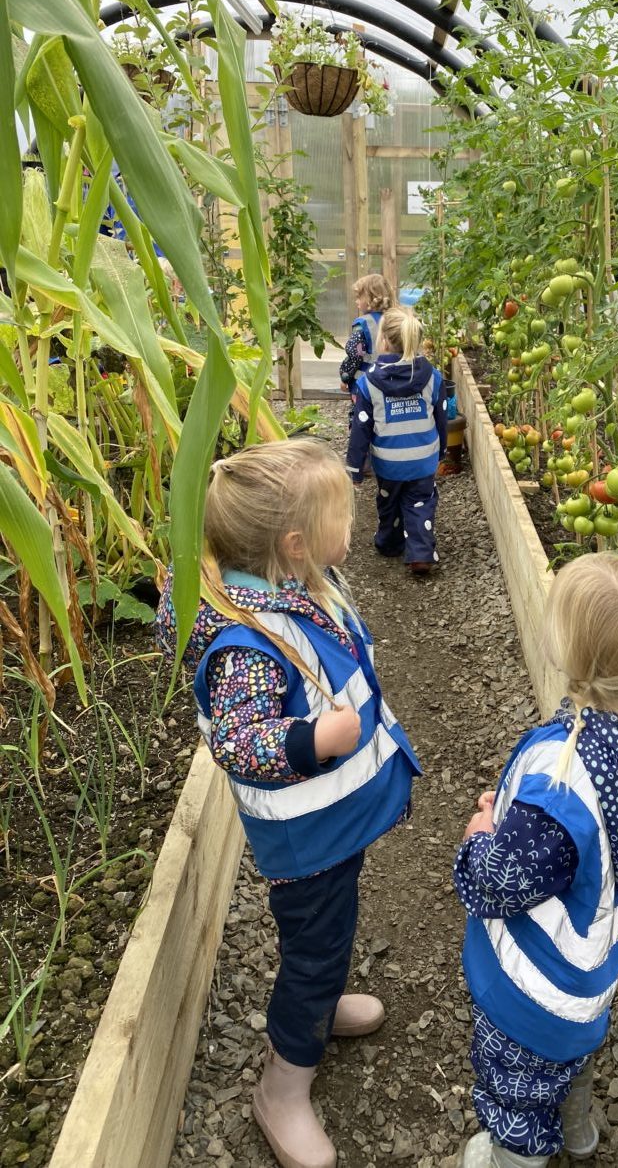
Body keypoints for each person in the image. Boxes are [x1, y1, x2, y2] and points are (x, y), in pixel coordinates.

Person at [156, 439, 421, 1168]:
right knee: (315, 950)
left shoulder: (295, 584)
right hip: (308, 843)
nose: (355, 522)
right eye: (344, 515)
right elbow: (240, 741)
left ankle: (321, 1003)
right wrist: (312, 740)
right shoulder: (249, 644)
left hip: (332, 829)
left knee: (329, 934)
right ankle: (282, 1086)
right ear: (296, 545)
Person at [453, 553, 618, 1168]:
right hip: (590, 978)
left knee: (516, 1092)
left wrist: (482, 836)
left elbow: (499, 883)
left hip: (531, 994)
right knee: (568, 1061)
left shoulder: (563, 781)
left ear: (570, 654)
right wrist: (522, 818)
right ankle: (577, 1131)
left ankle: (514, 1157)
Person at [346, 304, 448, 576]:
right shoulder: (432, 376)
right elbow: (441, 417)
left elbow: (361, 428)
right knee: (420, 502)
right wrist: (441, 451)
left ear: (383, 340)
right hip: (423, 458)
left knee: (388, 500)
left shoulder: (368, 383)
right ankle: (421, 552)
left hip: (388, 461)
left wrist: (355, 469)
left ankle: (389, 542)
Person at [339, 273, 394, 395]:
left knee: (362, 407)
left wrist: (345, 376)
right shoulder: (396, 319)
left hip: (366, 383)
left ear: (371, 298)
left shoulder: (363, 324)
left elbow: (355, 355)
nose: (356, 301)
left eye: (359, 297)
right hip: (392, 379)